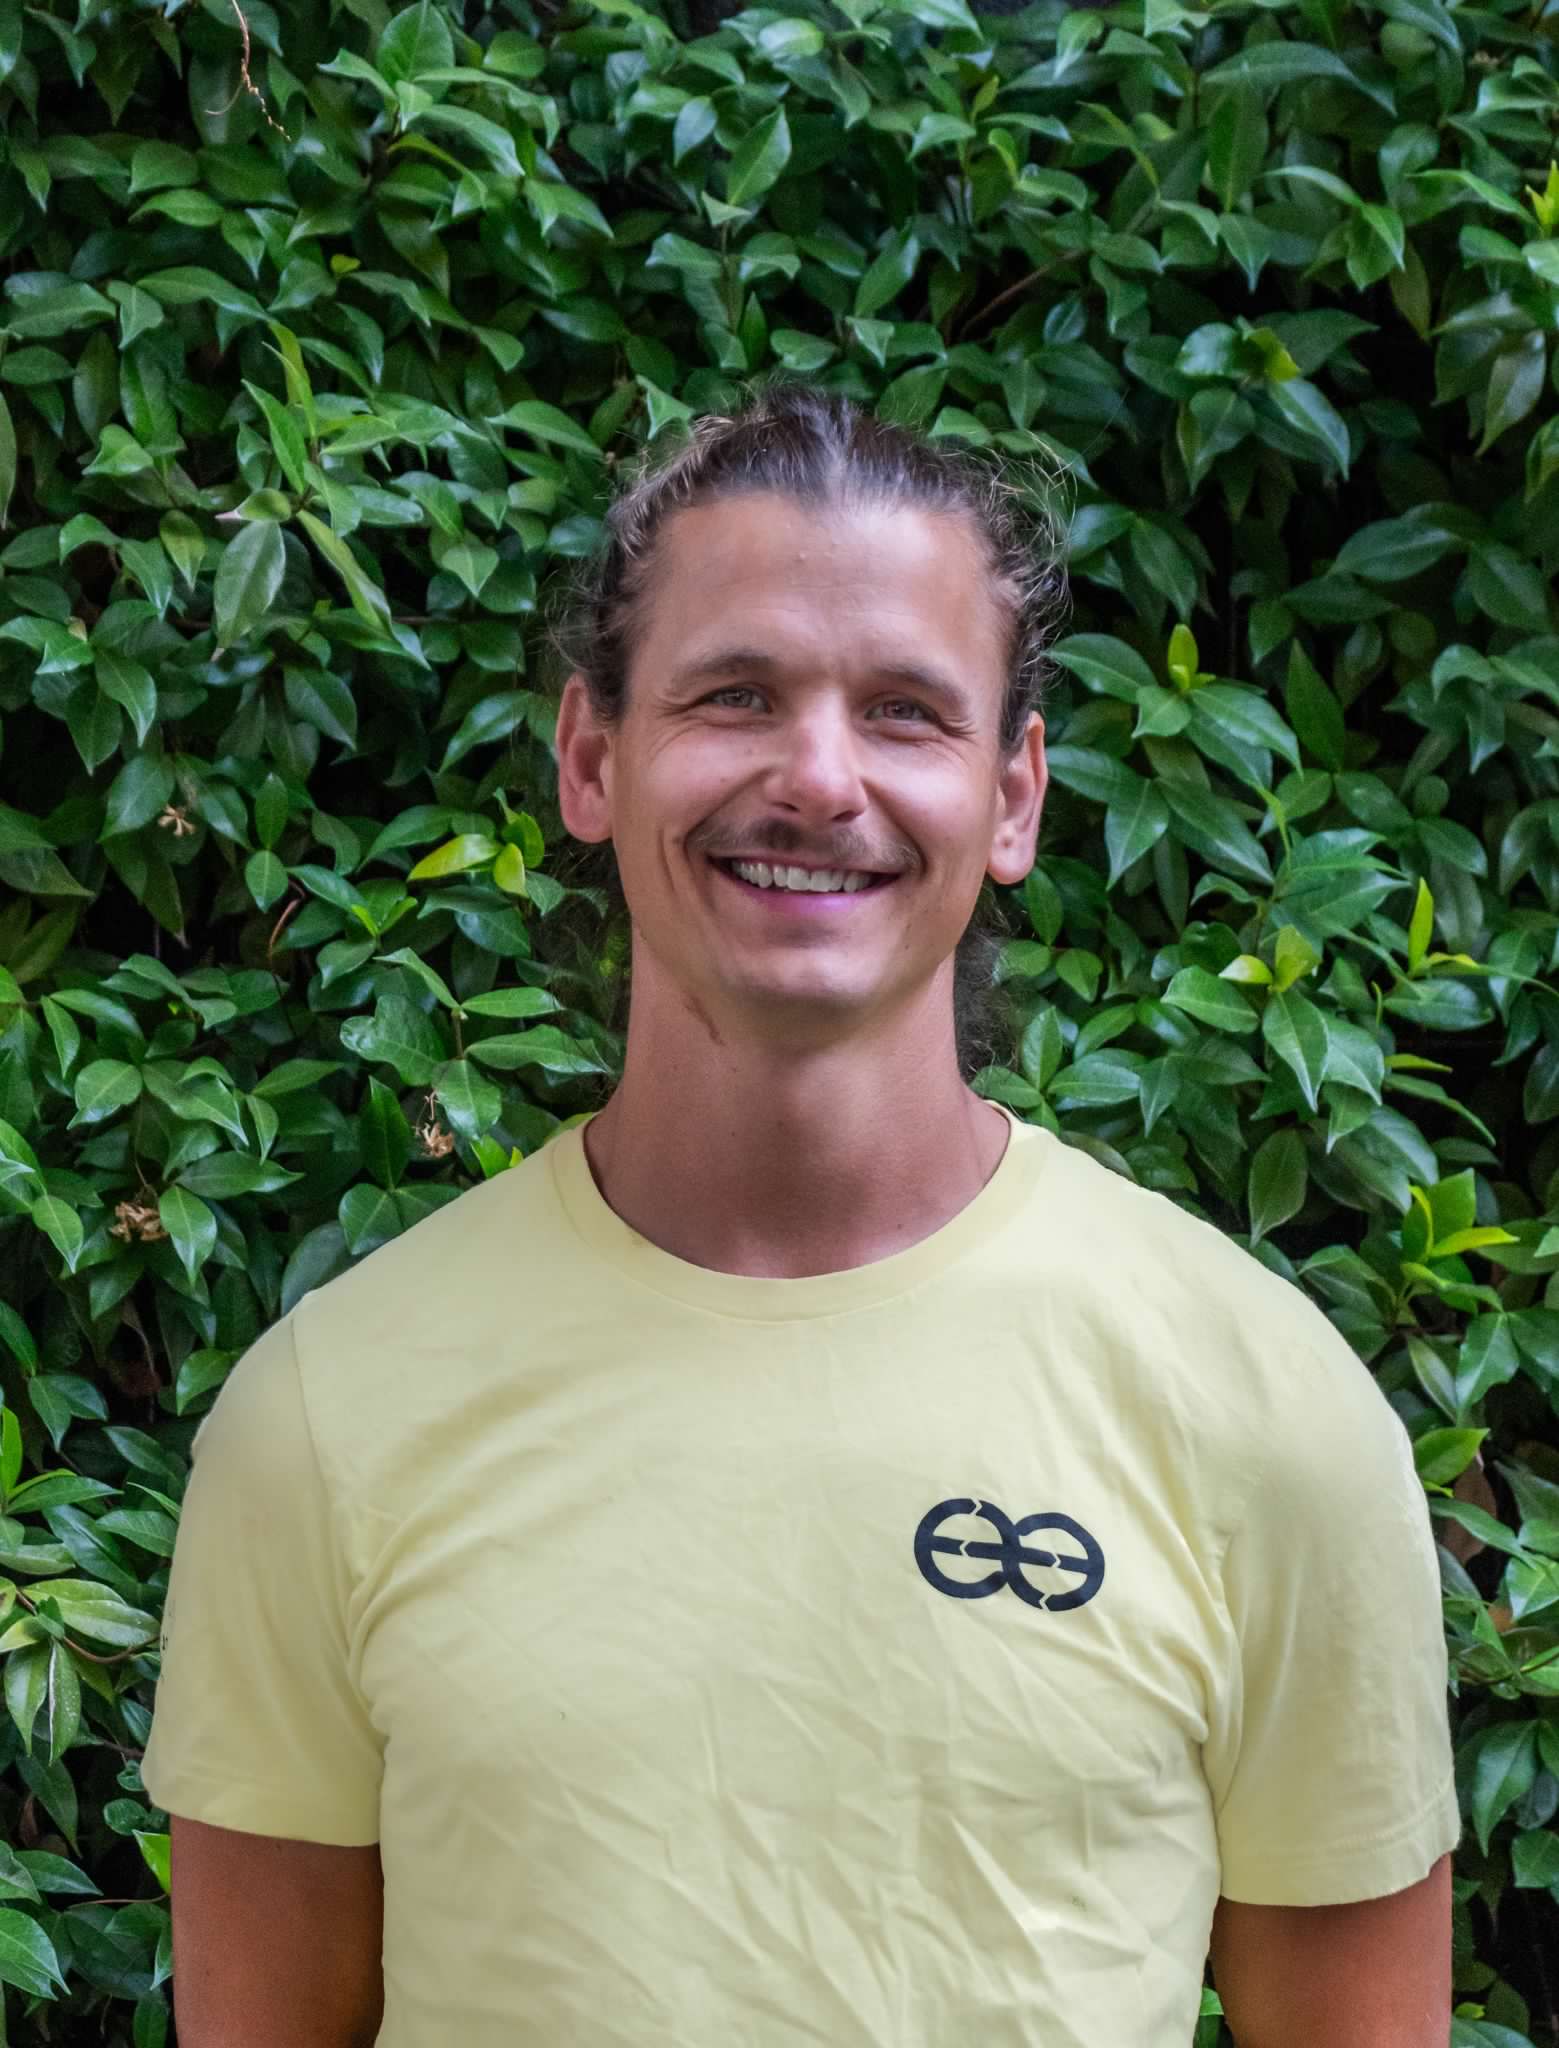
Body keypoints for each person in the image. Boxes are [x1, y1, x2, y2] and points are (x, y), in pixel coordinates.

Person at [143, 386, 1460, 2048]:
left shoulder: (1268, 1416)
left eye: (906, 712)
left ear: (1013, 796)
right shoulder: (325, 1420)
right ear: (591, 757)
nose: (819, 777)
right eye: (736, 695)